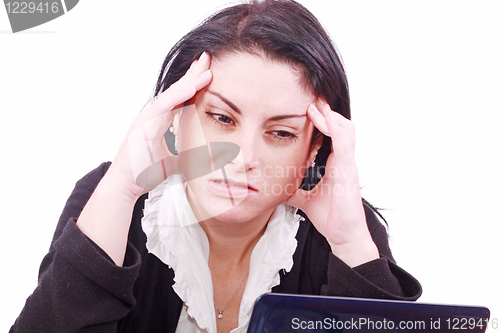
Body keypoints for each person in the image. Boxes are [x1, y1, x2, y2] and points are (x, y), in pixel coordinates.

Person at [10, 0, 422, 332]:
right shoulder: (112, 200)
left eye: (281, 133)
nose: (244, 159)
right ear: (179, 113)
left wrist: (351, 244)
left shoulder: (343, 228)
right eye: (222, 118)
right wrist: (121, 187)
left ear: (316, 147)